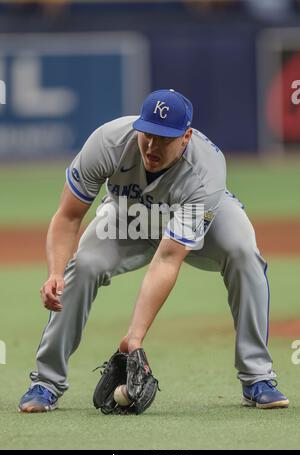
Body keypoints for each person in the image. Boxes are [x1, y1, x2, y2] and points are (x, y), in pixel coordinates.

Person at [19, 89, 288, 413]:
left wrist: (135, 336)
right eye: (147, 134)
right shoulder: (108, 142)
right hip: (127, 215)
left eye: (164, 138)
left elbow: (167, 258)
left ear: (186, 137)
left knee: (243, 252)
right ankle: (45, 382)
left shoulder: (206, 170)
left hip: (198, 214)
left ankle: (257, 377)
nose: (151, 145)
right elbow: (68, 215)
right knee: (85, 264)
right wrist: (55, 272)